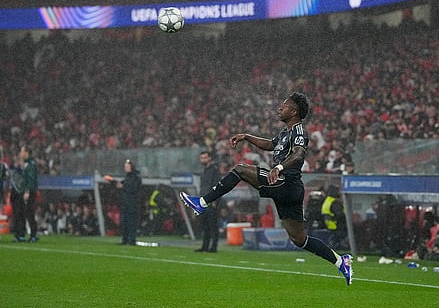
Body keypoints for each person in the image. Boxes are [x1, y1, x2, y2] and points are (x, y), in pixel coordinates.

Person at [180, 92, 353, 285]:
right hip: (290, 189)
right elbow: (270, 144)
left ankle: (202, 202)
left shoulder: (299, 131)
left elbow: (298, 155)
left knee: (240, 170)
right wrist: (246, 136)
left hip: (285, 182)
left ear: (294, 111)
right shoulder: (284, 133)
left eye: (284, 105)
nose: (280, 107)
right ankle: (340, 261)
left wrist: (278, 167)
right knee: (299, 239)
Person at [195, 151, 222, 253]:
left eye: (205, 158)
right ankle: (205, 246)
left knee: (212, 225)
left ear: (209, 158)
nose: (203, 160)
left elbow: (217, 185)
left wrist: (215, 200)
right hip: (203, 201)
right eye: (201, 158)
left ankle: (213, 247)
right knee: (205, 225)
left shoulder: (214, 171)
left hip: (211, 201)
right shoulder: (205, 171)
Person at [13, 146, 40, 242]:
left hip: (29, 192)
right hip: (25, 191)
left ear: (26, 152)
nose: (21, 153)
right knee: (24, 213)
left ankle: (33, 235)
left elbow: (31, 179)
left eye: (22, 151)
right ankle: (24, 235)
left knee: (29, 213)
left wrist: (27, 191)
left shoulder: (31, 164)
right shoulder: (27, 163)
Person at [115, 159, 142, 245]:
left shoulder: (135, 178)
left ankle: (131, 240)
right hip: (125, 204)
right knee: (124, 222)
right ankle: (125, 239)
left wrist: (123, 186)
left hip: (132, 205)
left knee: (131, 222)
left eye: (127, 166)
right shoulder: (127, 177)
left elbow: (133, 189)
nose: (125, 168)